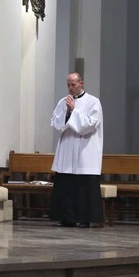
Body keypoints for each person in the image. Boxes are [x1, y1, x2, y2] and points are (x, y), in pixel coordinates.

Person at [49, 72, 104, 228]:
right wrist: (67, 112)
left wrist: (74, 111)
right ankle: (66, 218)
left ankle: (84, 219)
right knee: (66, 185)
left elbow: (89, 125)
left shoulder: (93, 102)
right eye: (68, 85)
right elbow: (55, 123)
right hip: (67, 150)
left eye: (73, 84)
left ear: (81, 83)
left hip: (85, 152)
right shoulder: (63, 102)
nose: (70, 88)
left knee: (83, 187)